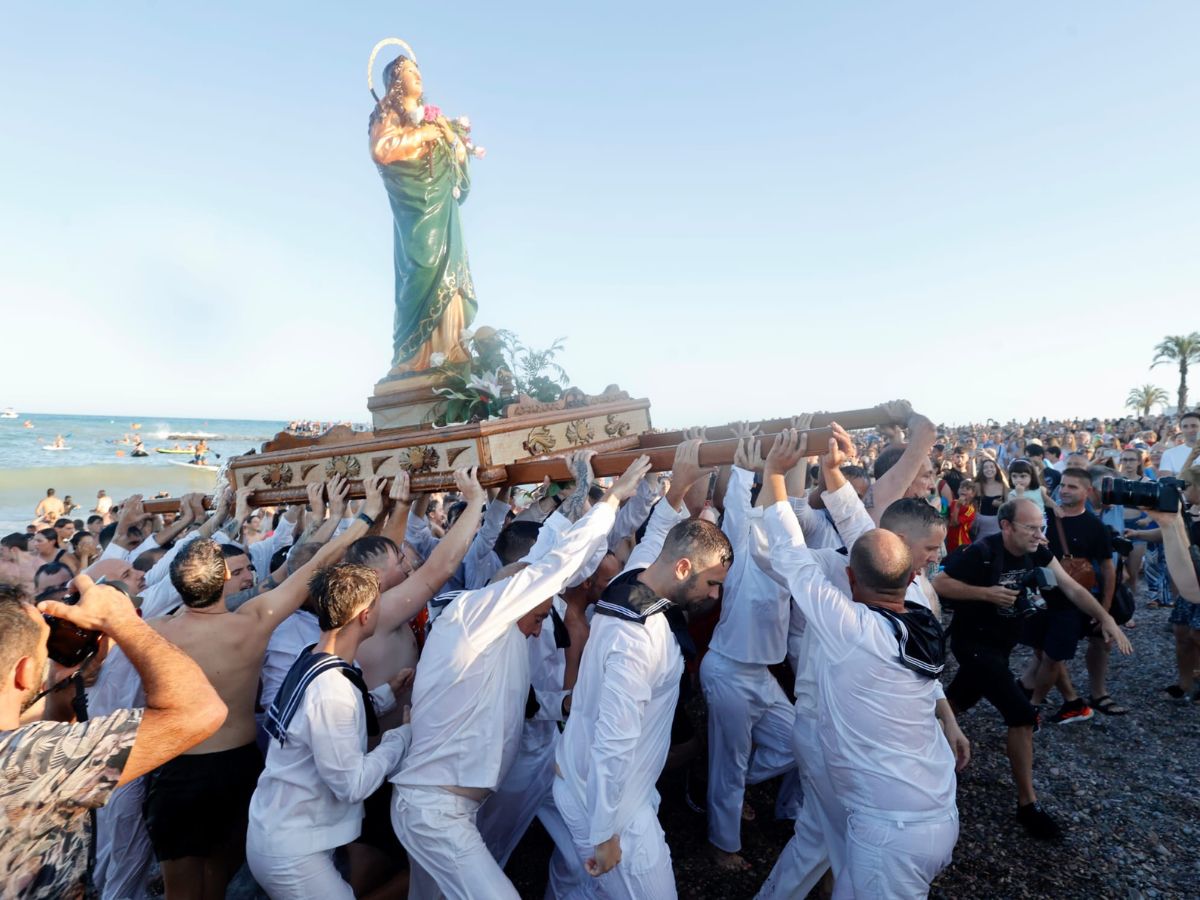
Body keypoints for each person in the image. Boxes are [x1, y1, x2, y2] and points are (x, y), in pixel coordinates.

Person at [390, 454, 651, 899]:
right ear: (512, 596)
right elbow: (551, 568)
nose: (542, 624)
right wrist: (609, 500)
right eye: (538, 611)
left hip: (443, 807)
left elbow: (549, 555)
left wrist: (575, 490)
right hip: (434, 811)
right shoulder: (476, 614)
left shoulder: (502, 633)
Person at [141, 478, 388, 899]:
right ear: (223, 580)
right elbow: (310, 568)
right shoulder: (253, 622)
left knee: (179, 891)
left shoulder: (150, 631)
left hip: (175, 769)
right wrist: (364, 516)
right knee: (217, 882)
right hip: (233, 767)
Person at [758, 429, 962, 898]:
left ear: (850, 576)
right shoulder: (921, 612)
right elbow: (860, 534)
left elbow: (791, 556)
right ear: (911, 572)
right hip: (933, 808)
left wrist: (773, 475)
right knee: (818, 843)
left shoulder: (852, 629)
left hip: (891, 829)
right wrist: (832, 473)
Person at [553, 440, 729, 898]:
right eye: (711, 583)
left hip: (600, 787)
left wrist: (679, 489)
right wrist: (606, 832)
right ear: (685, 567)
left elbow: (655, 541)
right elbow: (614, 740)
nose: (714, 595)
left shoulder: (633, 581)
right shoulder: (638, 638)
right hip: (612, 808)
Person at [0, 576, 227, 899]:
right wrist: (121, 621)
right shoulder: (34, 761)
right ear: (23, 672)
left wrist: (59, 688)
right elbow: (202, 710)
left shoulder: (34, 757)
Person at [933, 498, 1131, 839]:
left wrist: (1106, 618)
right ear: (1007, 526)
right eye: (1031, 528)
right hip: (973, 645)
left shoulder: (1038, 549)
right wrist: (986, 594)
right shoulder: (982, 550)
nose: (1040, 535)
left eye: (1042, 527)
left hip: (1001, 644)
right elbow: (938, 583)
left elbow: (1071, 587)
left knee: (956, 702)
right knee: (1021, 714)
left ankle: (916, 746)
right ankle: (1028, 805)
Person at [246, 563, 415, 899]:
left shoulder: (312, 657)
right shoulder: (332, 689)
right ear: (365, 616)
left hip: (285, 833)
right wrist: (402, 737)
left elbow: (316, 726)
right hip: (292, 849)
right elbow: (352, 784)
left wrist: (384, 696)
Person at [369, 51, 478, 373]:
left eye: (418, 70)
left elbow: (459, 171)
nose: (418, 75)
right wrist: (425, 134)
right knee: (422, 269)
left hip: (442, 205)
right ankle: (413, 357)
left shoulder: (437, 119)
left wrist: (455, 145)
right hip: (417, 210)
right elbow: (381, 149)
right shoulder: (388, 111)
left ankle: (450, 351)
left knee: (452, 270)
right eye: (409, 71)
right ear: (394, 81)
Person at [1018, 468, 1115, 723]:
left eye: (1072, 486)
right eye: (1063, 485)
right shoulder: (1043, 517)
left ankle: (1033, 705)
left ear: (1087, 492)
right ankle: (1071, 701)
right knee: (1042, 652)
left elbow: (1107, 568)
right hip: (1036, 597)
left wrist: (1104, 609)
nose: (1065, 490)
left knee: (1053, 656)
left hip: (1070, 603)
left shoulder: (1095, 527)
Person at [1160, 465, 1200, 702]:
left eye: (1188, 485)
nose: (1183, 490)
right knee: (1181, 633)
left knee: (1197, 634)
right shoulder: (1188, 511)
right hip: (1190, 582)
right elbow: (1174, 535)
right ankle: (1184, 683)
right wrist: (1139, 535)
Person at [972, 458, 1008, 540]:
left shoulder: (1003, 485)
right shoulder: (977, 485)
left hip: (997, 524)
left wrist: (1000, 505)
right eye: (986, 467)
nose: (989, 469)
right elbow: (971, 503)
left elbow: (1009, 505)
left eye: (992, 467)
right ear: (982, 470)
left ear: (996, 469)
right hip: (981, 524)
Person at [1157, 410, 1199, 477]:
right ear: (1181, 429)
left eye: (1194, 426)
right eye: (1185, 426)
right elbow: (1167, 484)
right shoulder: (1169, 453)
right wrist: (1190, 458)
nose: (1190, 430)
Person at [946, 480, 978, 553]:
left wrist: (957, 506)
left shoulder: (970, 510)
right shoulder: (953, 502)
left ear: (972, 494)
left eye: (967, 489)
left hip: (961, 542)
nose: (964, 489)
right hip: (950, 539)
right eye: (961, 487)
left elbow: (954, 523)